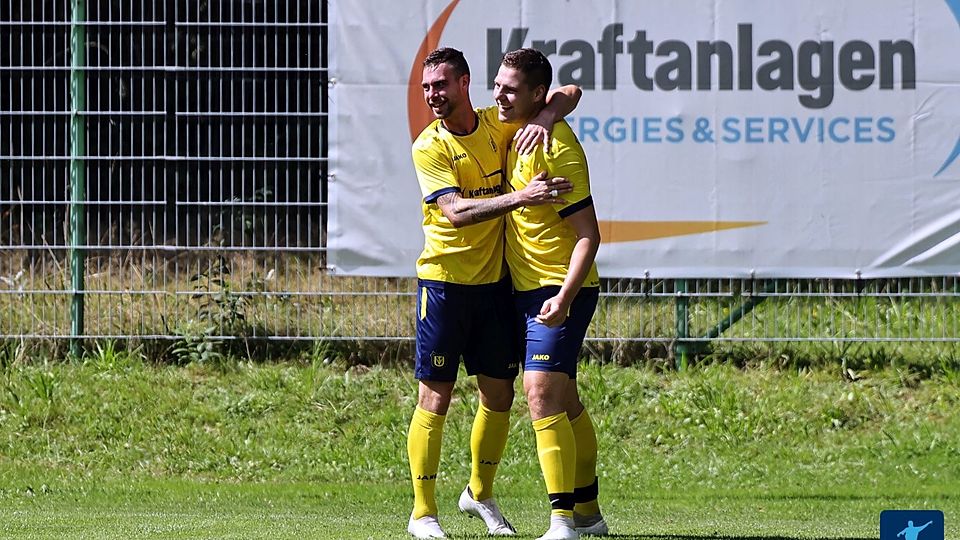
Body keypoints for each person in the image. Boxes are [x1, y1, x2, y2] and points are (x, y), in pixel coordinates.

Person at [407, 46, 582, 540]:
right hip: (443, 284)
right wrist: (521, 198)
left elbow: (572, 91)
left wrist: (546, 114)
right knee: (435, 399)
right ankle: (423, 514)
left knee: (500, 396)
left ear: (465, 84)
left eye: (441, 85)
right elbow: (457, 213)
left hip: (493, 288)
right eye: (426, 89)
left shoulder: (497, 124)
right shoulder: (429, 145)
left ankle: (479, 494)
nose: (433, 96)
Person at [494, 48, 607, 540]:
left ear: (535, 94)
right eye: (497, 84)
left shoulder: (555, 145)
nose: (499, 95)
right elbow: (571, 90)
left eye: (510, 88)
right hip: (521, 289)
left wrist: (562, 298)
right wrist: (548, 106)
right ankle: (589, 514)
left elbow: (589, 235)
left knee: (538, 393)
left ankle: (562, 521)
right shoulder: (504, 126)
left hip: (560, 289)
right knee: (566, 400)